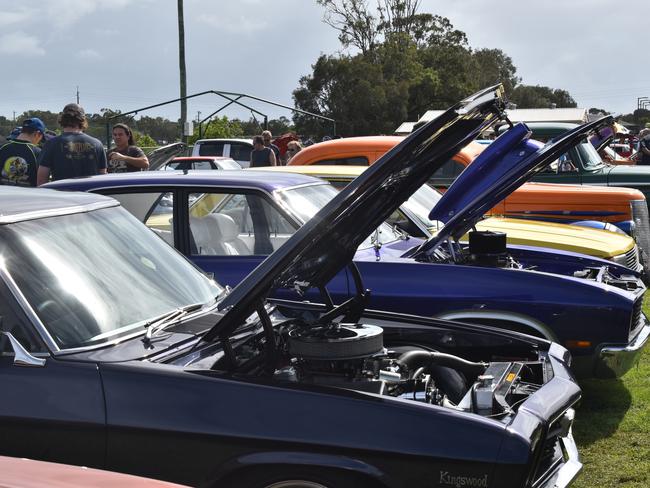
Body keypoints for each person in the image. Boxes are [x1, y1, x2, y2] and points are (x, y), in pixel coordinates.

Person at [37, 103, 107, 185]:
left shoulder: (51, 144)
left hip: (61, 195)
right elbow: (103, 177)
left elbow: (41, 180)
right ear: (83, 120)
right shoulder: (97, 144)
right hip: (90, 195)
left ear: (62, 119)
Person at [0, 118, 46, 187]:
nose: (39, 141)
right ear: (37, 134)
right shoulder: (38, 152)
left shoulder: (2, 147)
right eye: (41, 138)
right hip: (26, 197)